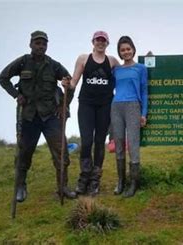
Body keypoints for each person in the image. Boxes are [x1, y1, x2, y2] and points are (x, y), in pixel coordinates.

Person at [0, 30, 76, 202]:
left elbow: (69, 83)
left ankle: (62, 187)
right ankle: (20, 186)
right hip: (29, 116)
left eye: (44, 44)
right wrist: (15, 95)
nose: (41, 46)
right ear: (31, 44)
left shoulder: (54, 65)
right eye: (38, 43)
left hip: (50, 116)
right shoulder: (22, 62)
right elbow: (2, 78)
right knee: (24, 153)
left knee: (61, 152)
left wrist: (64, 105)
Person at [64, 31, 120, 196]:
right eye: (98, 40)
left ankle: (95, 181)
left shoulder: (112, 61)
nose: (100, 43)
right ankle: (84, 179)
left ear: (107, 44)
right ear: (93, 42)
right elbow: (74, 82)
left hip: (105, 105)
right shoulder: (83, 59)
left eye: (104, 41)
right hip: (86, 104)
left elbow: (125, 74)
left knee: (99, 141)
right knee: (87, 141)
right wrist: (67, 84)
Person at [111, 36, 148, 198]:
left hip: (133, 106)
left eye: (128, 49)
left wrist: (143, 113)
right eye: (122, 50)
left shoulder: (140, 68)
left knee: (133, 144)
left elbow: (145, 91)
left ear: (133, 49)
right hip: (116, 107)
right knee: (118, 144)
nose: (126, 52)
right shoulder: (116, 70)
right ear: (119, 52)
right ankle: (121, 181)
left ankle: (134, 183)